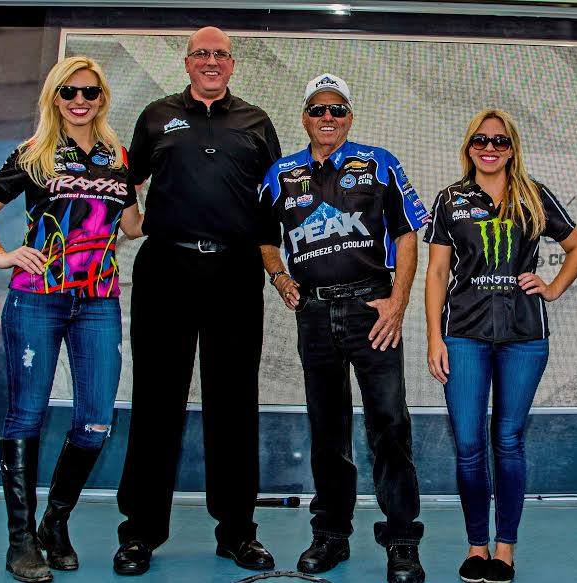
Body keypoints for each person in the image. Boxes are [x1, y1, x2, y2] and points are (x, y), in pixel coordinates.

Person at [111, 26, 281, 576]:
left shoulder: (256, 122)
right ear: (187, 63)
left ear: (233, 65)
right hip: (166, 269)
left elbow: (279, 200)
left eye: (220, 55)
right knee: (157, 401)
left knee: (234, 404)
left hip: (235, 273)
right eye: (202, 54)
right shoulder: (157, 116)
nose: (211, 61)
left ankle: (237, 532)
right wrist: (125, 227)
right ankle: (139, 533)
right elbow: (121, 183)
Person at [0, 56, 143, 582]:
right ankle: (19, 542)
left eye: (89, 92)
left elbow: (132, 226)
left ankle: (54, 523)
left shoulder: (118, 156)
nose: (80, 101)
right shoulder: (35, 153)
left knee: (95, 420)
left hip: (98, 300)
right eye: (69, 92)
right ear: (54, 97)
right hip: (36, 297)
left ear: (102, 97)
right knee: (28, 416)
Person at [259, 73, 429, 583]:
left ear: (350, 116)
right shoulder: (281, 173)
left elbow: (405, 236)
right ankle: (331, 534)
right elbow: (266, 238)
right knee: (327, 432)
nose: (327, 117)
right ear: (305, 117)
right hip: (313, 314)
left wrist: (397, 303)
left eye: (336, 109)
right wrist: (279, 276)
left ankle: (401, 541)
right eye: (317, 109)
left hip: (371, 312)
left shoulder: (379, 163)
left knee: (389, 428)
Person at [424, 108, 577, 583]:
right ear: (468, 146)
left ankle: (505, 549)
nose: (490, 148)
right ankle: (477, 547)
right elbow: (436, 273)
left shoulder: (533, 195)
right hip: (464, 335)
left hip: (524, 337)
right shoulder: (450, 200)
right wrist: (435, 337)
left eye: (499, 141)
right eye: (481, 140)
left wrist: (553, 288)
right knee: (470, 445)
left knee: (509, 441)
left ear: (512, 147)